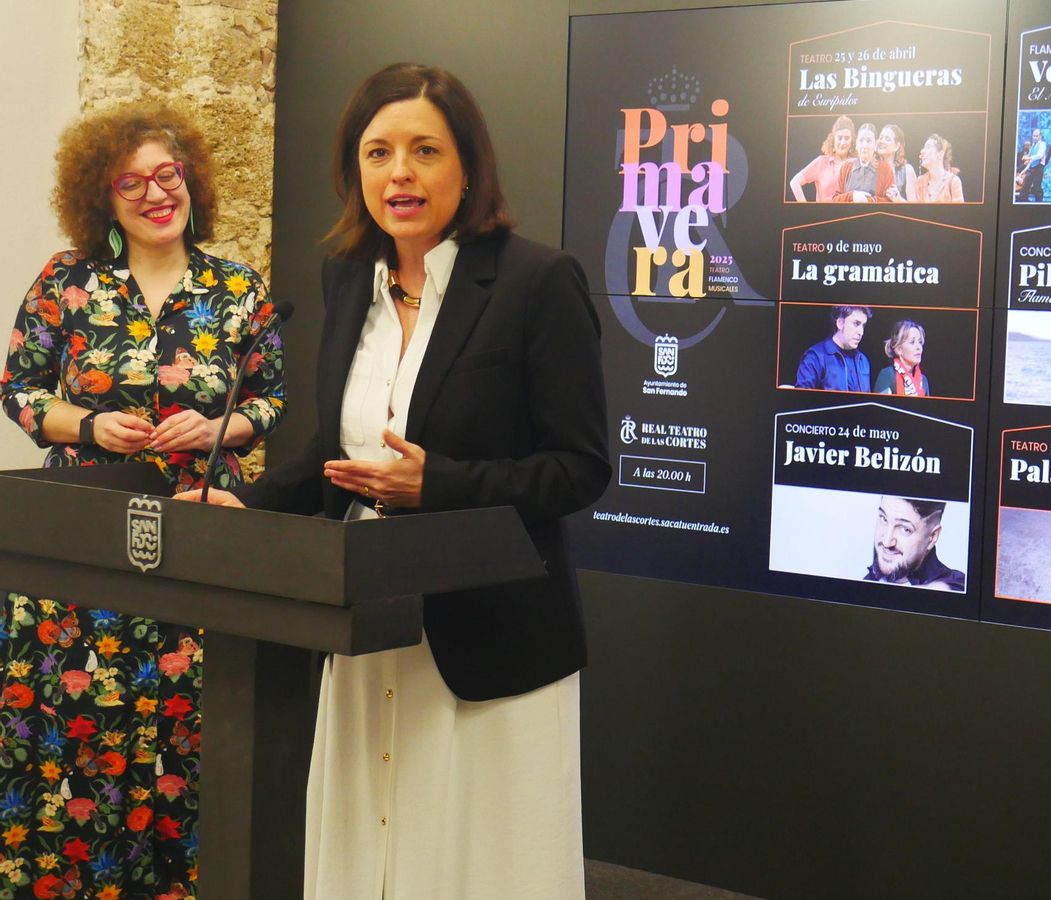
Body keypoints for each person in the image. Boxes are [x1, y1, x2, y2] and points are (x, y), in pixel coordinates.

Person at [177, 63, 609, 896]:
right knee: (368, 858)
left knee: (480, 867)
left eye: (423, 150)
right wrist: (244, 504)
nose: (399, 173)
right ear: (355, 172)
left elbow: (579, 469)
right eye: (377, 153)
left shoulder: (534, 282)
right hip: (367, 626)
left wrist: (436, 486)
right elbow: (333, 456)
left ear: (467, 167)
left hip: (492, 640)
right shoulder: (349, 281)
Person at [0, 101, 286, 898]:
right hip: (82, 546)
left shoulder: (236, 289)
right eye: (133, 182)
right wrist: (91, 423)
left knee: (186, 735)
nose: (157, 193)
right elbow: (19, 394)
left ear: (190, 178)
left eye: (169, 174)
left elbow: (272, 404)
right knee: (75, 744)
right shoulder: (67, 280)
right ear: (103, 196)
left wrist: (217, 430)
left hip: (198, 540)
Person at [865, 496, 965, 590]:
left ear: (932, 536)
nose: (886, 542)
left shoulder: (956, 586)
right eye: (884, 519)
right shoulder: (868, 580)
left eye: (905, 529)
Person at [795, 305, 872, 391]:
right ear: (840, 323)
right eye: (856, 324)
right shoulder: (815, 357)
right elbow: (802, 399)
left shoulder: (863, 360)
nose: (861, 332)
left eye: (863, 326)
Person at [789, 114, 854, 202]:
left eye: (847, 138)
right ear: (833, 140)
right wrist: (805, 208)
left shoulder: (857, 163)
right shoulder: (821, 162)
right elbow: (794, 182)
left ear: (852, 141)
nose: (843, 142)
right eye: (840, 138)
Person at [874, 319, 929, 396]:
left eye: (920, 342)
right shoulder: (887, 375)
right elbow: (879, 407)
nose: (919, 347)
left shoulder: (923, 380)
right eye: (912, 342)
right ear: (899, 349)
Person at [908, 134, 964, 203]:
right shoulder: (920, 181)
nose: (922, 151)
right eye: (923, 148)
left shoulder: (953, 182)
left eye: (928, 147)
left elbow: (959, 212)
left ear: (940, 154)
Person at [872, 124, 917, 203]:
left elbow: (916, 208)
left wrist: (898, 199)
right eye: (880, 137)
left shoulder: (907, 170)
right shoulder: (871, 168)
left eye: (887, 139)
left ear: (896, 146)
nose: (881, 141)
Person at [835, 122, 878, 202]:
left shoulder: (884, 170)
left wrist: (871, 200)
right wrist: (852, 196)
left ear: (875, 145)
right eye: (861, 140)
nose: (864, 145)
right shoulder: (846, 167)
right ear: (857, 144)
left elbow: (889, 201)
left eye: (869, 141)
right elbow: (835, 200)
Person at [1016, 128, 1047, 201]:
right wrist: (1022, 172)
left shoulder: (1042, 144)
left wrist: (1029, 158)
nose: (1035, 137)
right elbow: (1030, 162)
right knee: (1026, 184)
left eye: (1037, 136)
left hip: (1039, 168)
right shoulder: (1033, 145)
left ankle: (1039, 204)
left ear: (1040, 136)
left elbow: (1039, 155)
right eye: (1034, 136)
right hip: (1032, 168)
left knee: (1037, 187)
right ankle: (1022, 201)